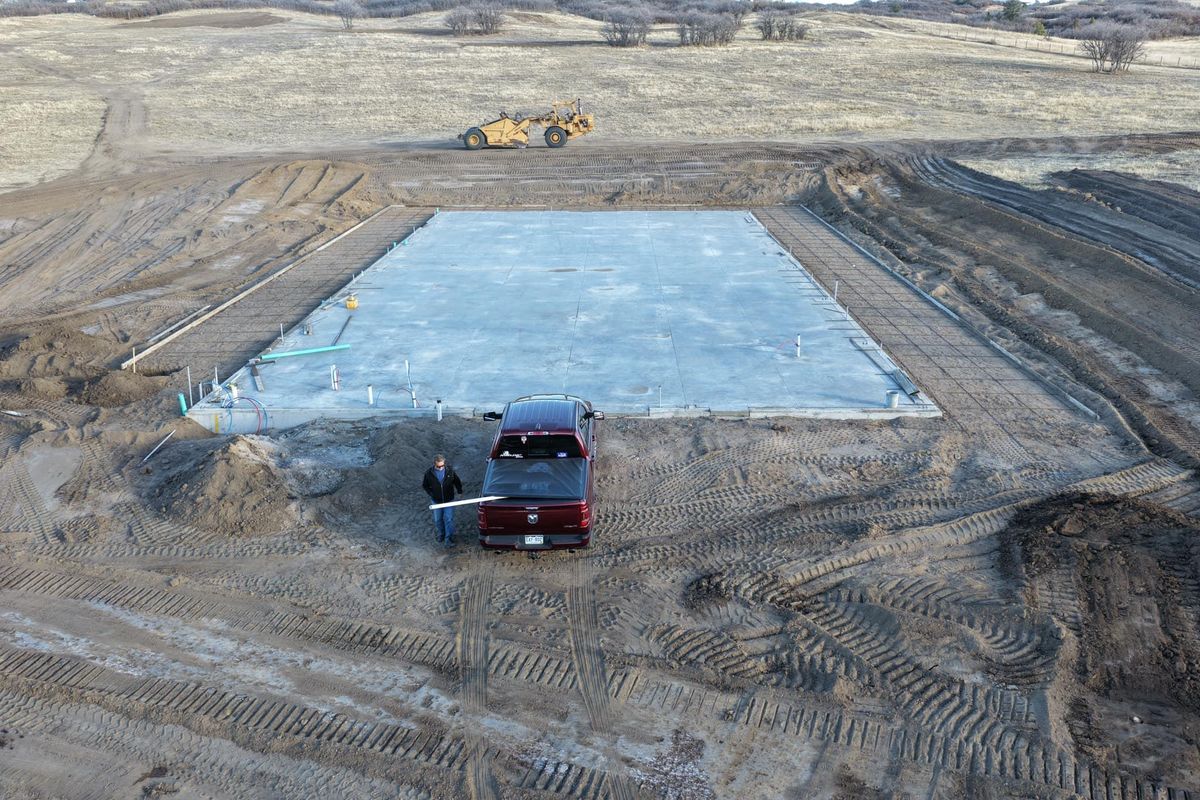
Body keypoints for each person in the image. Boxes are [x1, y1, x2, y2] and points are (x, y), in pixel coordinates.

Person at [422, 454, 464, 547]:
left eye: (442, 466)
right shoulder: (429, 473)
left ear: (444, 463)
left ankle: (448, 538)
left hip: (449, 500)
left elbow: (457, 481)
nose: (441, 468)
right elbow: (425, 485)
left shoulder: (450, 471)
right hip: (436, 501)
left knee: (449, 519)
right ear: (434, 464)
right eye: (438, 466)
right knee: (438, 520)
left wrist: (460, 491)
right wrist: (431, 494)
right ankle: (442, 534)